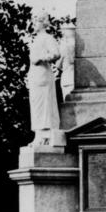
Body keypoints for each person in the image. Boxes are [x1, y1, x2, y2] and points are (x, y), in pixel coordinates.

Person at [28, 13, 61, 148]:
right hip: (35, 76)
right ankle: (38, 135)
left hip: (43, 75)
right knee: (36, 106)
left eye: (36, 22)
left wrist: (41, 57)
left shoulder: (48, 38)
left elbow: (56, 54)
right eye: (33, 22)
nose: (34, 24)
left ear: (43, 23)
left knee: (45, 105)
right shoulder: (36, 39)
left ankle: (46, 136)